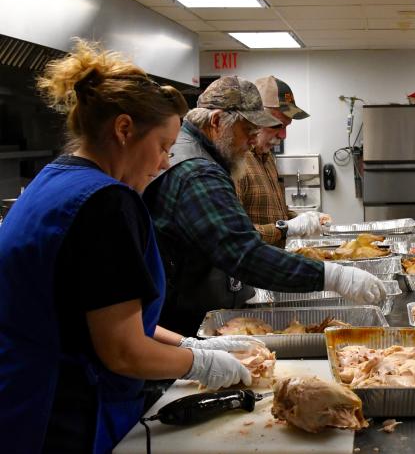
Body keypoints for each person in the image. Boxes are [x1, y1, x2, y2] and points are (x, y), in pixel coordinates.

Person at [0, 40, 259, 454]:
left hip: (21, 399)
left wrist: (188, 344)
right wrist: (202, 364)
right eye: (161, 148)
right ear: (123, 130)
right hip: (60, 415)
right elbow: (122, 349)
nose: (162, 164)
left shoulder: (53, 180)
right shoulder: (105, 203)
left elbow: (109, 310)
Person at [144, 76, 385, 336]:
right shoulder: (198, 172)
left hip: (196, 310)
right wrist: (333, 276)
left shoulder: (199, 154)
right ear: (216, 122)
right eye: (248, 130)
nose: (253, 138)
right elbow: (244, 253)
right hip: (184, 321)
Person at [236, 75, 327, 247]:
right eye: (276, 125)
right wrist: (286, 228)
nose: (283, 135)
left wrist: (303, 219)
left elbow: (275, 214)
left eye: (286, 126)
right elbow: (237, 236)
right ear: (254, 117)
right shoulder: (236, 162)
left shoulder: (268, 158)